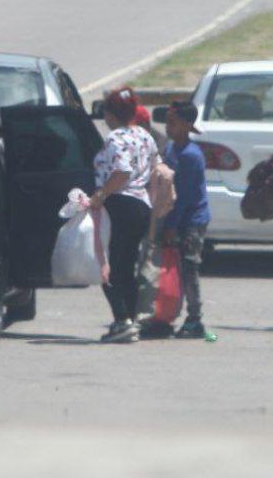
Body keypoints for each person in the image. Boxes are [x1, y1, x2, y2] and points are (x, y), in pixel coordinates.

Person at [90, 85, 159, 344]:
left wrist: (101, 195)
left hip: (121, 204)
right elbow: (154, 167)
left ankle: (122, 319)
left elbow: (122, 173)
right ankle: (129, 319)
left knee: (108, 267)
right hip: (141, 205)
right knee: (126, 266)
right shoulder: (144, 135)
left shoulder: (115, 139)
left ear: (110, 113)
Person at [162, 101, 211, 339]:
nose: (167, 127)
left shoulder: (190, 155)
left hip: (191, 219)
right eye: (167, 122)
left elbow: (183, 196)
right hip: (175, 216)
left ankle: (195, 318)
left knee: (189, 268)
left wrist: (171, 226)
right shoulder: (172, 148)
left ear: (186, 125)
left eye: (172, 122)